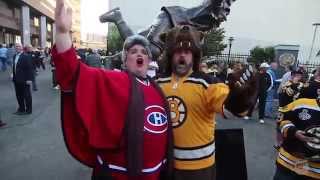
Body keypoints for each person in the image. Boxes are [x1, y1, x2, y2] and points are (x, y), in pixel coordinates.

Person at [53, 0, 173, 179]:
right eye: (133, 52)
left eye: (143, 51)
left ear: (148, 61)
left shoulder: (158, 88)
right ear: (125, 61)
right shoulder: (115, 79)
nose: (139, 54)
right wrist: (62, 33)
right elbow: (72, 71)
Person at [156, 25, 257, 180]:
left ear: (195, 55)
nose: (182, 55)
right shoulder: (158, 83)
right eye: (178, 51)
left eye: (187, 51)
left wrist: (239, 98)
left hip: (199, 168)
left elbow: (229, 111)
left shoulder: (208, 83)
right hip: (164, 164)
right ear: (170, 55)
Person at [100, 0, 236, 59]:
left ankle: (111, 58)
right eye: (226, 8)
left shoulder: (209, 23)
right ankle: (118, 19)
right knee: (151, 50)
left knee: (139, 42)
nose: (226, 14)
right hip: (171, 18)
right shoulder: (213, 6)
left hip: (175, 25)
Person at [273, 68, 320, 180]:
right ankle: (278, 143)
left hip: (314, 171)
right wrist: (293, 132)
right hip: (288, 162)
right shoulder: (302, 101)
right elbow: (283, 121)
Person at [12, 43, 34, 115]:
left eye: (19, 46)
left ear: (22, 48)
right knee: (18, 95)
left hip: (25, 79)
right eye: (16, 46)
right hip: (16, 79)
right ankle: (21, 109)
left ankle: (28, 110)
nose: (17, 47)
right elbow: (15, 66)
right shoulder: (15, 56)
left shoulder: (26, 56)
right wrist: (13, 74)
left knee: (26, 95)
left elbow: (30, 69)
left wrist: (29, 79)